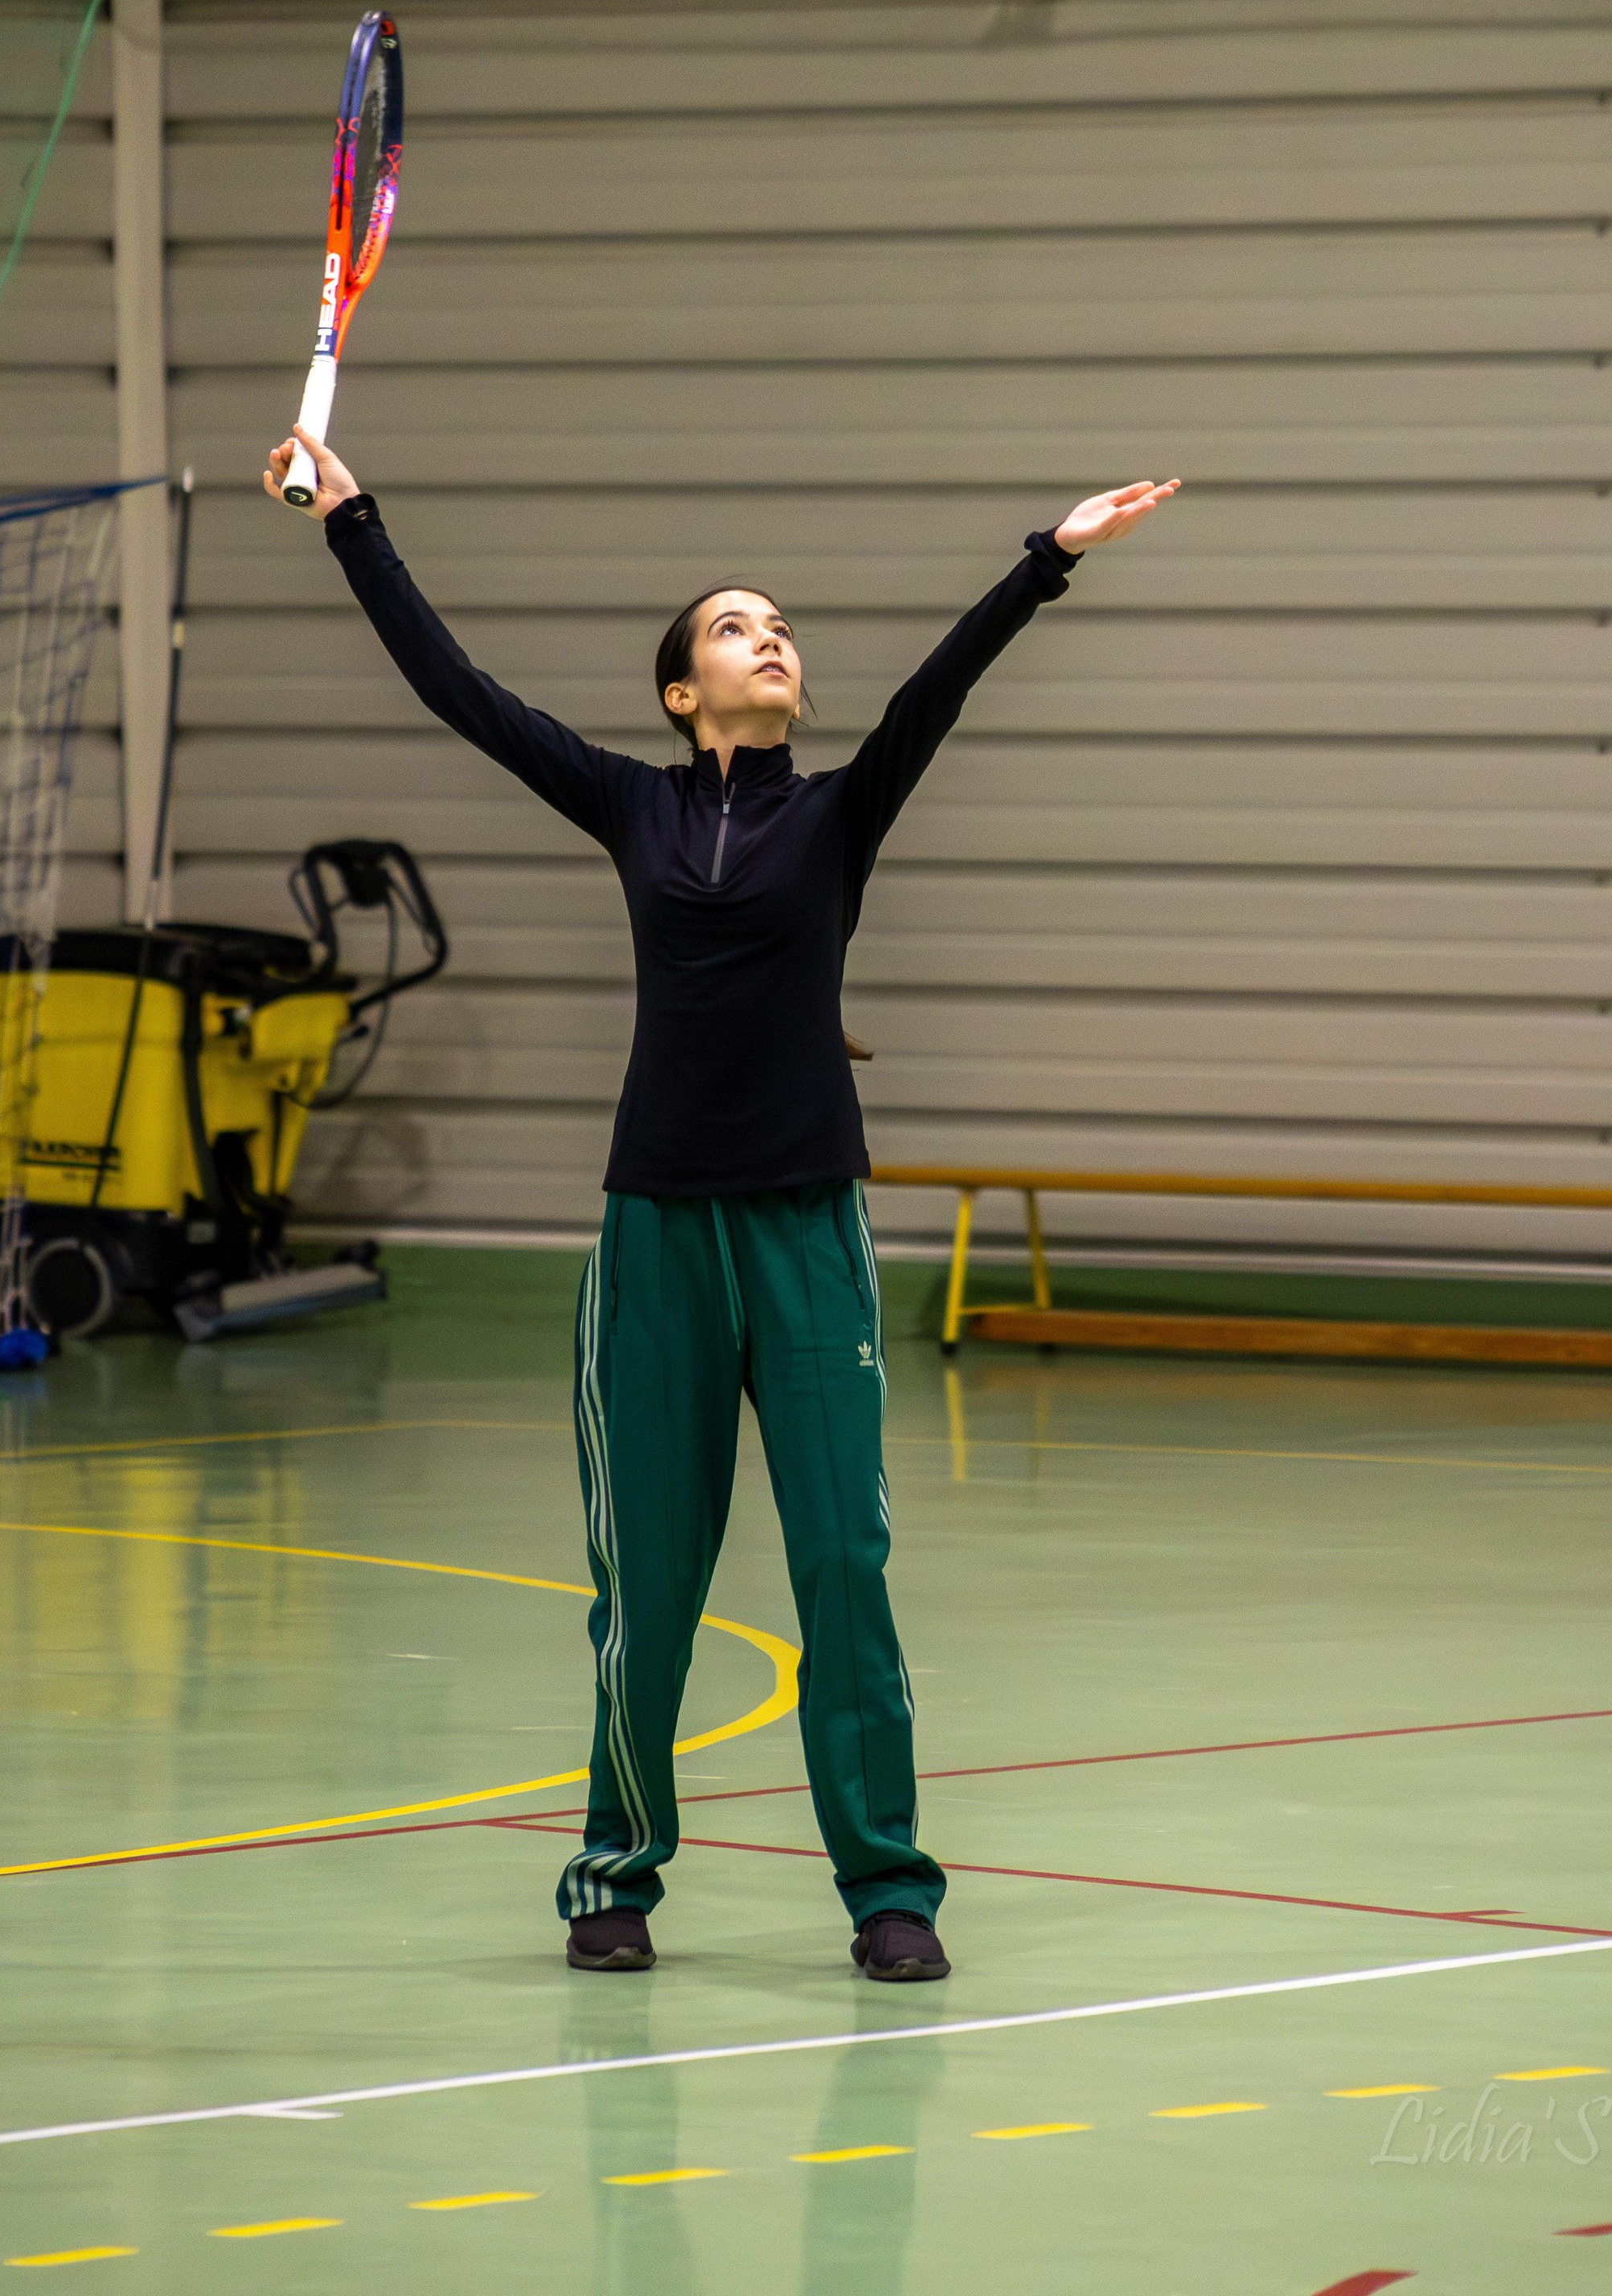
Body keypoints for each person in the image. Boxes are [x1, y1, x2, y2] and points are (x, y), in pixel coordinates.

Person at [266, 421, 1177, 1984]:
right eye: (736, 627)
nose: (773, 638)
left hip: (808, 1229)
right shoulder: (632, 806)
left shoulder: (839, 811)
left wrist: (1051, 557)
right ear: (685, 689)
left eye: (781, 626)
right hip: (658, 1236)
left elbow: (934, 694)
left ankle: (890, 1890)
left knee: (845, 1568)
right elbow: (458, 692)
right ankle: (615, 1872)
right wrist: (353, 524)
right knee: (652, 1576)